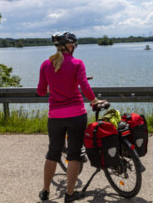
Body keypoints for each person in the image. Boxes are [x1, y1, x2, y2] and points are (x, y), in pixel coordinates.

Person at [37, 31, 104, 202]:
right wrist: (95, 100)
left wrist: (55, 87)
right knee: (74, 155)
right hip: (76, 115)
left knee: (53, 153)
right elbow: (85, 87)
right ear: (69, 46)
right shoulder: (77, 63)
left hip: (55, 117)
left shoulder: (46, 65)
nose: (74, 48)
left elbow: (40, 91)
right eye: (74, 45)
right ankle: (69, 194)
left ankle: (45, 191)